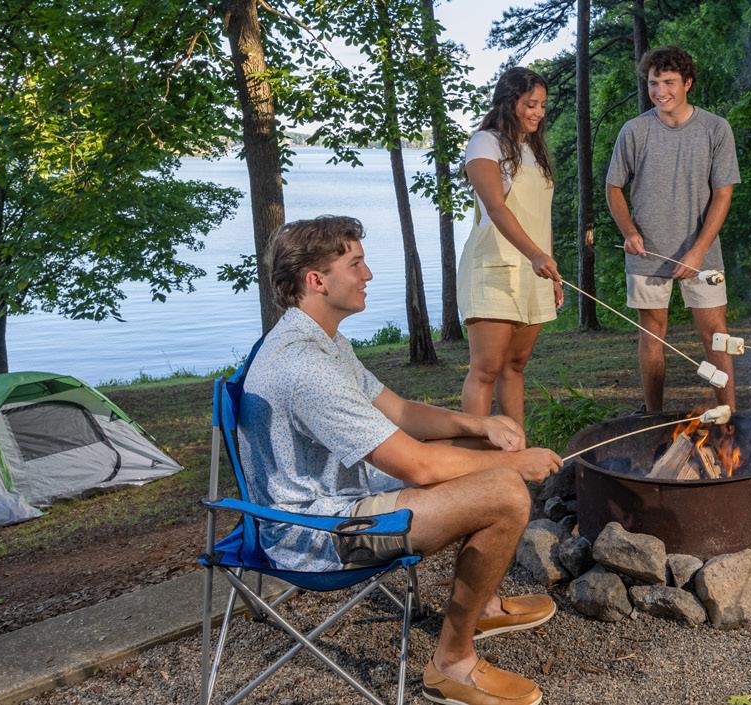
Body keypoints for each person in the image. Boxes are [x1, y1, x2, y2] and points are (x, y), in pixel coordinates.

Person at [240, 216, 561, 705]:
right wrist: (515, 466)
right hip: (316, 531)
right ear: (316, 280)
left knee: (487, 453)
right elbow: (418, 467)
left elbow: (402, 411)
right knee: (505, 493)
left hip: (345, 495)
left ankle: (485, 606)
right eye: (356, 264)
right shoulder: (304, 366)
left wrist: (480, 426)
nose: (368, 274)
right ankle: (451, 666)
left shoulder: (323, 341)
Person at [606, 45, 740, 411]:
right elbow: (613, 188)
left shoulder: (715, 128)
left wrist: (697, 251)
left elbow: (723, 195)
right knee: (652, 336)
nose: (660, 91)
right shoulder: (634, 131)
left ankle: (728, 417)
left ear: (688, 83)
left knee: (716, 336)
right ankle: (653, 416)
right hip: (647, 254)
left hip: (703, 253)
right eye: (653, 83)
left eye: (669, 82)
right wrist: (628, 231)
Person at [458, 66, 563, 428]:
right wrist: (535, 254)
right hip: (494, 267)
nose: (539, 112)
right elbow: (496, 207)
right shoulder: (484, 142)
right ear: (509, 101)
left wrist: (550, 268)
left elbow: (540, 219)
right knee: (486, 368)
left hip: (533, 271)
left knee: (515, 366)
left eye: (542, 105)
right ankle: (472, 450)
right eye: (531, 104)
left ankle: (515, 447)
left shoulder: (533, 150)